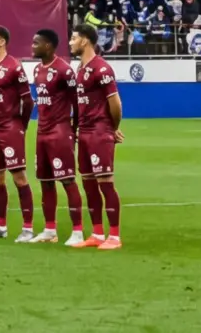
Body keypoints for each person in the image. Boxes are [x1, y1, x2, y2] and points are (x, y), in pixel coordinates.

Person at [68, 25, 123, 250]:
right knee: (89, 184)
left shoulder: (102, 68)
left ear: (85, 41)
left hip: (100, 132)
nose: (70, 42)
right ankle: (97, 233)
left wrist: (112, 127)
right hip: (84, 132)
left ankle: (115, 236)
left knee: (105, 183)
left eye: (74, 38)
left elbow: (115, 103)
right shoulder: (80, 68)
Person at [28, 27, 84, 244]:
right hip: (42, 132)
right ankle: (50, 230)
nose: (32, 47)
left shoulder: (64, 70)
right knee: (45, 181)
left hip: (60, 132)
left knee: (67, 180)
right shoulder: (37, 70)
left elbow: (77, 102)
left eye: (36, 43)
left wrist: (75, 128)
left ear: (48, 45)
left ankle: (78, 231)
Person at [0, 26, 33, 240]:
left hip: (11, 128)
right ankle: (0, 227)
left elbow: (27, 100)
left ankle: (28, 228)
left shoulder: (14, 67)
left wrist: (22, 125)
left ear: (1, 42)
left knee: (19, 177)